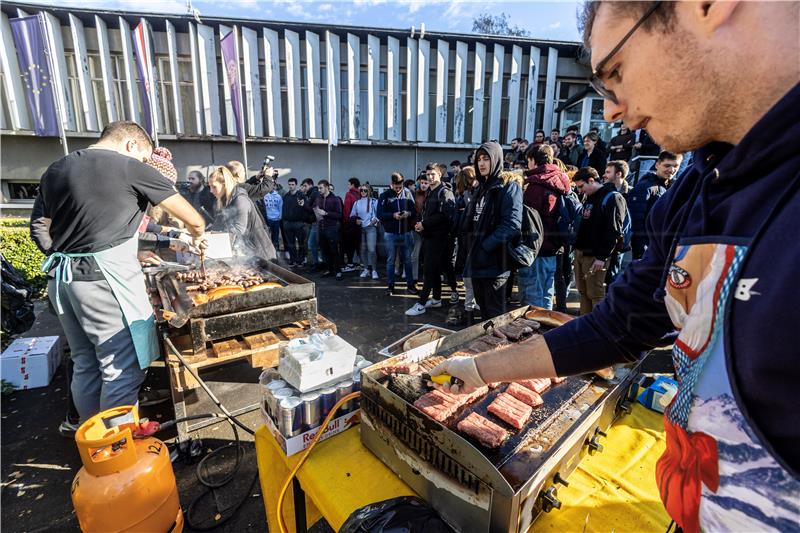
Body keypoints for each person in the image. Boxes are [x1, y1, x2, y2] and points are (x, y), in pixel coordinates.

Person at [429, 4, 800, 531]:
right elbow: (619, 326)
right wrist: (480, 371)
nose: (609, 110)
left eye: (616, 71)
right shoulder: (697, 186)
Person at [33, 121, 206, 424]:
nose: (143, 164)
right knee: (120, 369)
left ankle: (92, 445)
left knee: (86, 363)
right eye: (143, 158)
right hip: (103, 284)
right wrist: (197, 232)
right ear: (132, 145)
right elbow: (192, 218)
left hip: (63, 282)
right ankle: (117, 454)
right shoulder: (127, 166)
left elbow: (40, 225)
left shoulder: (56, 169)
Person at [461, 142, 524, 319]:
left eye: (486, 158)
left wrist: (485, 246)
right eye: (479, 159)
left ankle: (498, 348)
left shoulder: (508, 187)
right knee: (484, 313)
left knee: (495, 316)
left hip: (495, 265)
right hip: (477, 263)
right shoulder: (481, 188)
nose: (481, 163)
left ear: (496, 159)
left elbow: (512, 225)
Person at [517, 144, 571, 310]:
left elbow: (527, 219)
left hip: (536, 248)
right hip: (554, 247)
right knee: (547, 291)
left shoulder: (535, 186)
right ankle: (546, 328)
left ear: (533, 161)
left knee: (532, 295)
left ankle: (535, 333)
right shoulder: (559, 181)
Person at [570, 167, 626, 314]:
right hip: (581, 252)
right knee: (583, 292)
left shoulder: (612, 197)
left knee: (596, 294)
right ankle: (584, 326)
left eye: (581, 186)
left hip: (596, 256)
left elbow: (614, 231)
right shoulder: (589, 197)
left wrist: (602, 257)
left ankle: (596, 329)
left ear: (591, 180)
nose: (580, 191)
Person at [405, 163, 456, 316]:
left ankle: (421, 304)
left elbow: (446, 216)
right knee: (433, 270)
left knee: (429, 270)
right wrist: (421, 224)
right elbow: (429, 214)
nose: (430, 177)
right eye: (428, 174)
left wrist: (424, 223)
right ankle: (436, 299)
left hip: (439, 238)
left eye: (433, 174)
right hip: (429, 236)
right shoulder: (431, 192)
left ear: (440, 174)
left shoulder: (444, 192)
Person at [208, 166, 276, 261]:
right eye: (209, 186)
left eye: (214, 187)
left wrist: (216, 235)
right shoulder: (225, 200)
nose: (211, 191)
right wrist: (207, 233)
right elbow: (218, 223)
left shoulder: (240, 199)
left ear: (225, 185)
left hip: (261, 255)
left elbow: (238, 230)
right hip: (248, 254)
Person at [628, 151, 683, 259]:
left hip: (665, 248)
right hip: (648, 250)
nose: (672, 170)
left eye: (675, 166)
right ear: (657, 165)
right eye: (667, 165)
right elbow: (636, 222)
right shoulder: (644, 187)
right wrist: (641, 251)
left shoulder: (673, 188)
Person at [377, 173, 417, 295]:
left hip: (406, 233)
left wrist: (408, 214)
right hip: (390, 233)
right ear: (391, 184)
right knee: (390, 261)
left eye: (400, 187)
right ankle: (390, 286)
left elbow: (414, 211)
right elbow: (379, 214)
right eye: (396, 187)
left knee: (408, 260)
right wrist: (393, 215)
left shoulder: (408, 193)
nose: (399, 190)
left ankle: (410, 285)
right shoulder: (384, 196)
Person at [312, 180, 344, 280]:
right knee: (325, 251)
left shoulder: (335, 199)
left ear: (326, 187)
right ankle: (330, 270)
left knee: (334, 251)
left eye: (321, 188)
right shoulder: (318, 199)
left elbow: (339, 215)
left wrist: (326, 213)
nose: (319, 190)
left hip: (332, 228)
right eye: (318, 188)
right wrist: (316, 212)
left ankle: (338, 271)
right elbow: (315, 209)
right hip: (321, 228)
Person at [350, 184, 380, 279]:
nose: (363, 192)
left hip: (371, 227)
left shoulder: (374, 201)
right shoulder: (357, 203)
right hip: (361, 228)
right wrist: (356, 220)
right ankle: (366, 269)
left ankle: (374, 270)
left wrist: (375, 220)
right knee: (363, 250)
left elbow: (380, 213)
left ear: (369, 191)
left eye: (365, 190)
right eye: (361, 190)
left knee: (371, 249)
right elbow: (352, 215)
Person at [281, 177, 308, 267]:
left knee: (301, 243)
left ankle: (300, 260)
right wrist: (285, 222)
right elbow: (283, 209)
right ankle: (293, 260)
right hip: (288, 223)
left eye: (292, 185)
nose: (291, 186)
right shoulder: (286, 196)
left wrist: (303, 221)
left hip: (299, 223)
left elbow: (306, 207)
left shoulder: (301, 196)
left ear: (296, 185)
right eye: (289, 184)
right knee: (290, 243)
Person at [301, 178, 322, 270]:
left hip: (316, 223)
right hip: (313, 222)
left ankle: (317, 263)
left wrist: (304, 204)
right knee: (313, 243)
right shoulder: (310, 194)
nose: (304, 188)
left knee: (312, 243)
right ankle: (317, 262)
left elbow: (314, 209)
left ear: (310, 185)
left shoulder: (314, 194)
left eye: (305, 186)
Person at [411, 172, 428, 283]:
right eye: (421, 182)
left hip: (429, 228)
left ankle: (428, 277)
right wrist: (415, 225)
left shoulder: (433, 194)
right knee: (415, 254)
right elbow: (413, 211)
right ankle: (414, 277)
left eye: (425, 183)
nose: (423, 185)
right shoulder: (415, 194)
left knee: (428, 255)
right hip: (416, 228)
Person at [341, 177, 362, 271]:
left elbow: (346, 210)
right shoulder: (361, 194)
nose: (348, 186)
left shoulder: (349, 194)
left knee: (349, 245)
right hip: (360, 223)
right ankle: (359, 263)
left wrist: (346, 223)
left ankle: (350, 264)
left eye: (348, 184)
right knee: (358, 244)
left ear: (352, 185)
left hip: (350, 223)